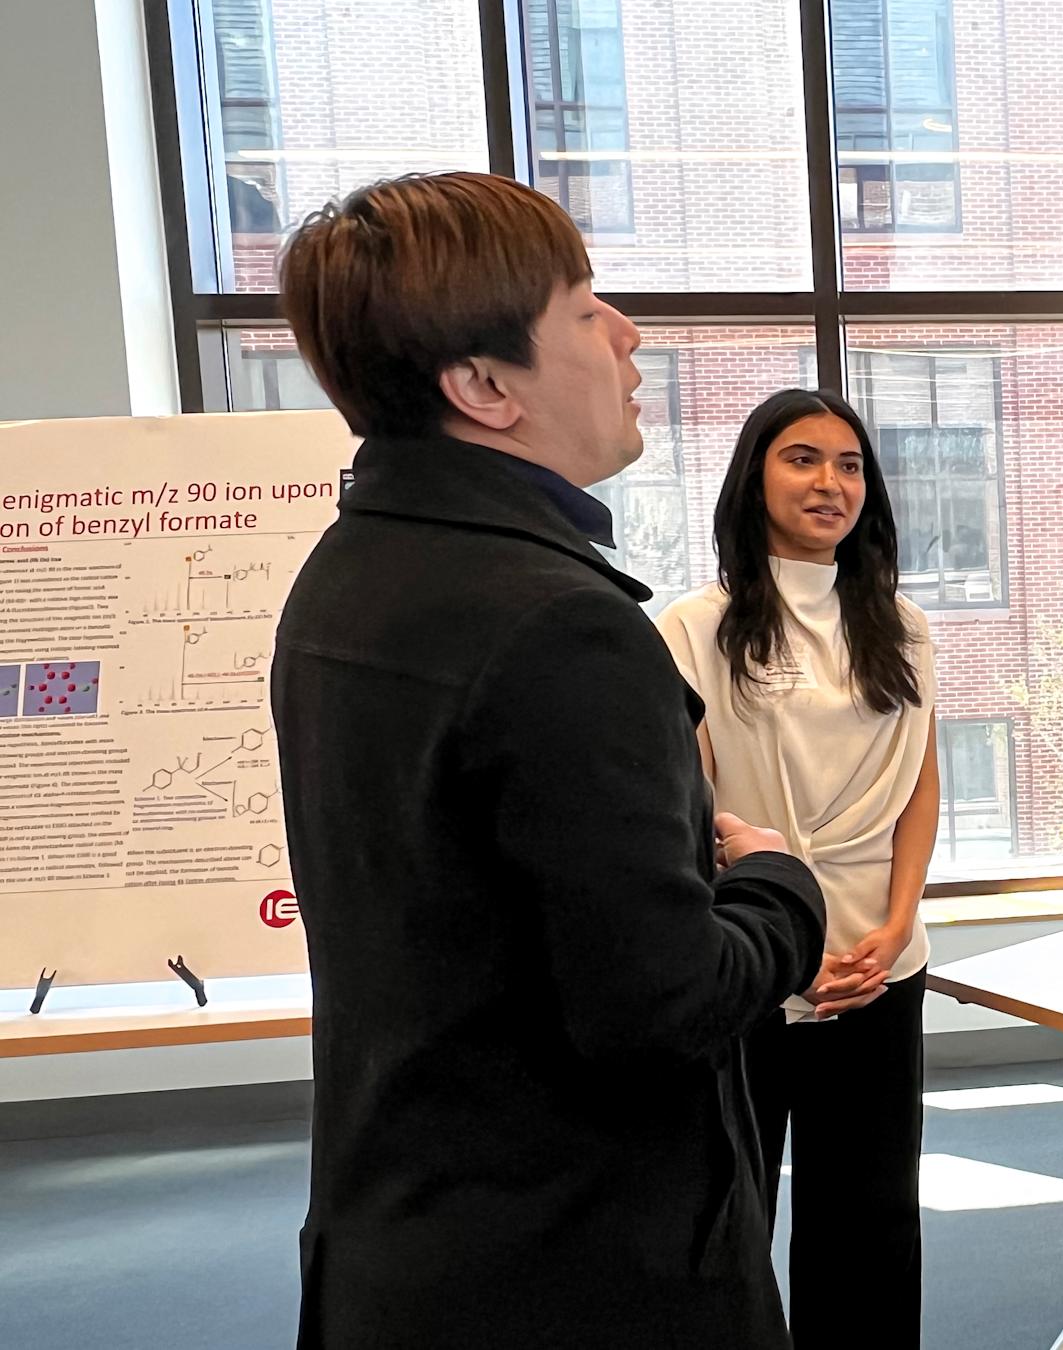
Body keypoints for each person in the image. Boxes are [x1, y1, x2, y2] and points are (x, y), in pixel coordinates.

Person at [271, 173, 828, 1349]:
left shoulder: (347, 574)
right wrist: (782, 888)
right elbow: (664, 1005)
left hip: (407, 1247)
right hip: (581, 1271)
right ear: (483, 386)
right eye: (583, 306)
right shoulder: (559, 625)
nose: (628, 334)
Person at [654, 389, 941, 1348]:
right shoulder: (695, 627)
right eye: (803, 459)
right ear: (755, 478)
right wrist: (786, 947)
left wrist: (896, 926)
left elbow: (920, 787)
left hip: (878, 961)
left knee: (872, 1213)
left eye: (850, 465)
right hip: (749, 961)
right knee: (733, 1210)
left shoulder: (901, 624)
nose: (831, 483)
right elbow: (687, 810)